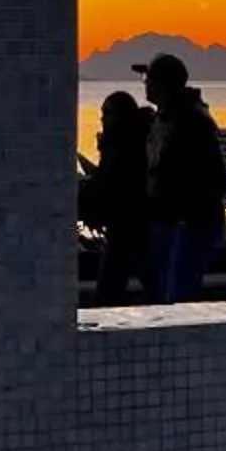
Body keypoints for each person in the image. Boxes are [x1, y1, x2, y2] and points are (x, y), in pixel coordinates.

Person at [140, 53, 226, 301]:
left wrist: (187, 213)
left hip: (187, 224)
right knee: (164, 292)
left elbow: (216, 177)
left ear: (161, 84)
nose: (145, 84)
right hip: (165, 221)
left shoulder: (193, 123)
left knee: (178, 296)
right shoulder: (161, 120)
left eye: (149, 79)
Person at [80, 89, 153, 304]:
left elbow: (112, 182)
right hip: (133, 226)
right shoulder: (136, 140)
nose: (102, 120)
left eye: (106, 114)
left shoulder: (121, 145)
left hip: (127, 227)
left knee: (109, 290)